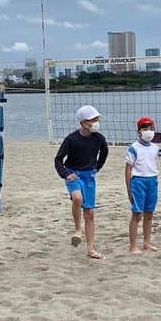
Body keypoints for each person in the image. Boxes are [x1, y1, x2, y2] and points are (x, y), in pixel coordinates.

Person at [54, 105, 108, 259]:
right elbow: (58, 160)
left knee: (90, 213)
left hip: (88, 176)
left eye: (97, 119)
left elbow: (104, 154)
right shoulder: (71, 139)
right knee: (77, 198)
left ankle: (90, 249)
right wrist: (65, 173)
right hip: (73, 174)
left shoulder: (99, 139)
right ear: (84, 123)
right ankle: (78, 229)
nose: (97, 122)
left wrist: (96, 168)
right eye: (93, 120)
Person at [125, 116, 160, 255]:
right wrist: (129, 189)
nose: (149, 131)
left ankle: (146, 242)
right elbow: (128, 170)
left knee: (149, 213)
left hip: (152, 180)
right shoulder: (133, 148)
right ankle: (133, 246)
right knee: (137, 214)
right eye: (145, 128)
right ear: (139, 131)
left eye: (151, 128)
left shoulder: (155, 147)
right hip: (138, 181)